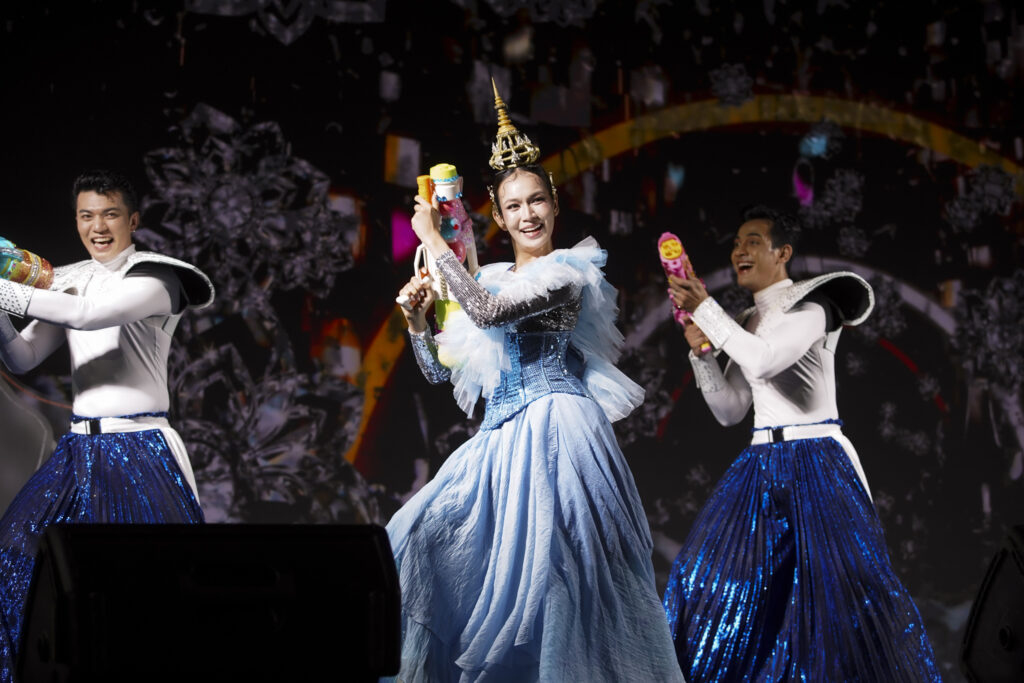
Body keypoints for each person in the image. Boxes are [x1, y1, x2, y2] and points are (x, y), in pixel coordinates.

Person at [386, 87, 684, 681]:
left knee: (562, 583)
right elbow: (440, 371)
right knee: (416, 537)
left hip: (558, 430)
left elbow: (489, 314)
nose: (528, 215)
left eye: (538, 200)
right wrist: (418, 322)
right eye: (515, 206)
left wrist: (433, 241)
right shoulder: (488, 277)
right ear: (498, 217)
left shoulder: (568, 273)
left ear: (554, 205)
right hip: (499, 441)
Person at [662, 206, 941, 681]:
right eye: (736, 243)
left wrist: (706, 309)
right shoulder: (745, 322)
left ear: (782, 252)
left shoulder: (814, 308)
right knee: (704, 579)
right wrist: (701, 353)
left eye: (753, 241)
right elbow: (731, 410)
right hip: (759, 463)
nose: (739, 251)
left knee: (838, 596)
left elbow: (764, 361)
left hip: (818, 460)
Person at [0, 169, 214, 683]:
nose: (98, 227)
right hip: (77, 451)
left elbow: (89, 315)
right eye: (86, 216)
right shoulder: (70, 279)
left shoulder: (158, 278)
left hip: (140, 449)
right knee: (13, 554)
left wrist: (4, 288)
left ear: (132, 220)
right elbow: (22, 357)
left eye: (110, 214)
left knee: (156, 585)